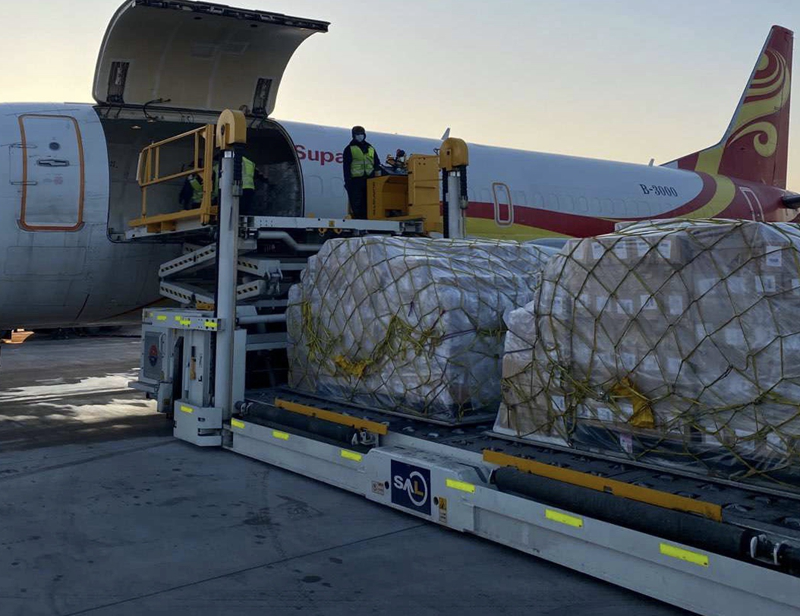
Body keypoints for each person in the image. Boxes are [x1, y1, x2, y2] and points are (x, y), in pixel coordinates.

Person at [342, 126, 380, 219]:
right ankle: (359, 218)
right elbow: (346, 167)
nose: (360, 136)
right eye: (357, 134)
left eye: (361, 134)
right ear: (353, 135)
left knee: (369, 202)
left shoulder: (370, 148)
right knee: (357, 203)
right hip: (356, 180)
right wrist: (348, 181)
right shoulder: (349, 149)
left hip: (369, 180)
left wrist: (377, 178)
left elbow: (377, 164)